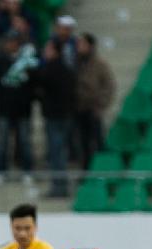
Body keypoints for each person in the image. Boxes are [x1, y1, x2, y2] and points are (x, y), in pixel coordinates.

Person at [0, 31, 37, 184]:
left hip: (23, 108)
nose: (10, 44)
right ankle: (1, 171)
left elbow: (33, 84)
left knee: (24, 142)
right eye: (8, 41)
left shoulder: (27, 61)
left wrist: (28, 98)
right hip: (4, 108)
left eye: (13, 41)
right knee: (2, 142)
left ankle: (27, 171)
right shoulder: (0, 60)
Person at [36, 40, 76, 198]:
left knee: (56, 153)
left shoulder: (50, 69)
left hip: (54, 116)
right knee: (59, 151)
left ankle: (58, 187)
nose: (45, 52)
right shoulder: (67, 69)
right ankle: (61, 185)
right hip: (64, 115)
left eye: (48, 49)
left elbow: (43, 87)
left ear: (54, 51)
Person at [75, 32, 116, 169]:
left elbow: (109, 86)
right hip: (79, 109)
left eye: (82, 44)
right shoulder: (75, 64)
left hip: (93, 109)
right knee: (82, 144)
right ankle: (85, 171)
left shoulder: (99, 65)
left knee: (97, 142)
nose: (79, 47)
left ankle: (102, 169)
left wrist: (101, 104)